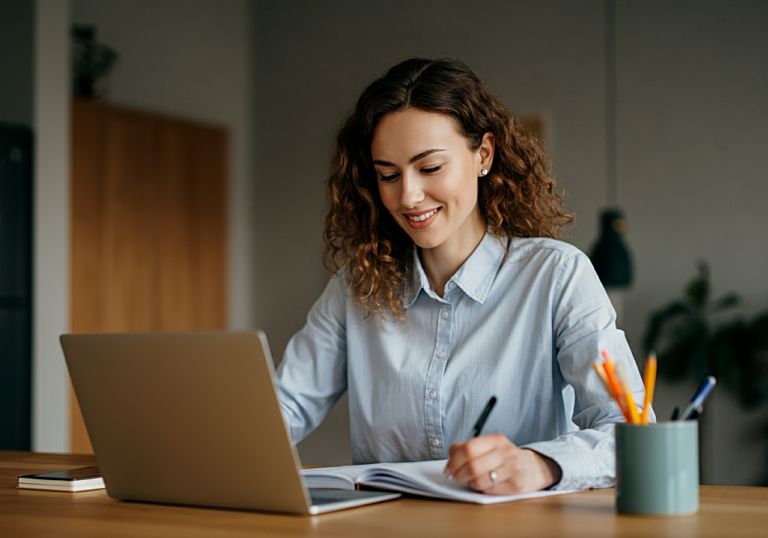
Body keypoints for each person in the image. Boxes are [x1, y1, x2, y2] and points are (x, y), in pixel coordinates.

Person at [276, 57, 647, 494]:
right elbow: (281, 408)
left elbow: (631, 435)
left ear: (483, 155)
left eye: (429, 168)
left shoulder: (557, 275)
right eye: (388, 175)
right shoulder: (355, 287)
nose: (408, 196)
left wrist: (539, 465)